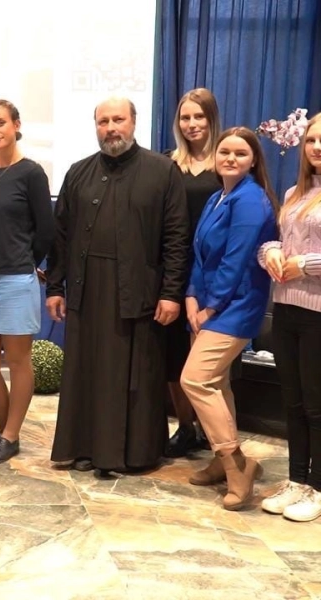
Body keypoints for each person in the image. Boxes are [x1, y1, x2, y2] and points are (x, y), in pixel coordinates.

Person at [46, 96, 190, 476]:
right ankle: (84, 448)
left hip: (138, 292)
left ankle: (133, 454)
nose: (111, 128)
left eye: (118, 120)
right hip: (86, 289)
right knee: (87, 373)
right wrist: (55, 287)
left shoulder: (163, 171)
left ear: (133, 122)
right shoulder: (78, 172)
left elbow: (177, 238)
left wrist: (171, 293)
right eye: (103, 121)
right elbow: (60, 236)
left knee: (134, 377)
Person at [180, 126, 278, 511]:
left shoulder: (250, 199)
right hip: (208, 302)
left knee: (196, 379)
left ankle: (237, 464)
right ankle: (221, 462)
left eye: (240, 153)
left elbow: (236, 261)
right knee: (217, 384)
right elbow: (200, 253)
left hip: (236, 305)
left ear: (253, 160)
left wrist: (211, 306)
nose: (231, 158)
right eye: (225, 152)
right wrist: (192, 295)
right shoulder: (217, 197)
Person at [0, 99, 54, 465]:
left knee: (18, 362)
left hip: (17, 279)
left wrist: (27, 262)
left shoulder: (32, 173)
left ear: (16, 124)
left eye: (0, 123)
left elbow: (46, 229)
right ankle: (8, 431)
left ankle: (9, 435)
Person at [259, 112, 321, 521]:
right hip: (286, 307)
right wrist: (271, 254)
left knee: (317, 405)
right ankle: (298, 480)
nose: (317, 147)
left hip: (318, 313)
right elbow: (278, 241)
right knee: (293, 402)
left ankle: (318, 487)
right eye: (312, 140)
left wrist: (306, 264)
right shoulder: (294, 192)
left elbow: (307, 258)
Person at [164, 88, 223, 457]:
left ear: (211, 119)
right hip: (174, 271)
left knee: (206, 360)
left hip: (213, 275)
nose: (191, 124)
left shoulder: (226, 162)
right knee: (174, 358)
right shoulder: (168, 165)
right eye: (185, 117)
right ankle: (186, 426)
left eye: (199, 116)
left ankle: (214, 433)